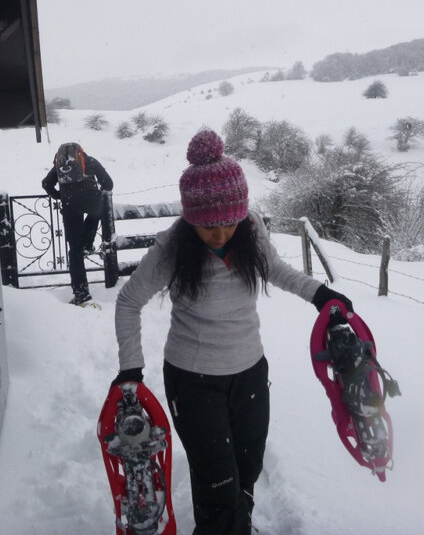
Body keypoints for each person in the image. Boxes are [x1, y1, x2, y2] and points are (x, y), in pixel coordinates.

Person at [111, 130, 353, 535]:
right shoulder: (173, 247)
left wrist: (319, 294)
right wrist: (130, 368)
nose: (221, 234)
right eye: (209, 227)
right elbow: (128, 301)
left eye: (229, 223)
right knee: (217, 478)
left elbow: (276, 269)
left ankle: (234, 522)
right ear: (191, 220)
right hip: (193, 381)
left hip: (249, 372)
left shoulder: (251, 229)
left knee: (245, 467)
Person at [42, 142, 113, 305]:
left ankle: (81, 293)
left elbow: (46, 183)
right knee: (96, 212)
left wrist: (60, 196)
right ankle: (87, 243)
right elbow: (109, 184)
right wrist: (96, 190)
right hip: (91, 202)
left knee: (74, 250)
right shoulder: (90, 161)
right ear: (81, 152)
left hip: (70, 206)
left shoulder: (59, 166)